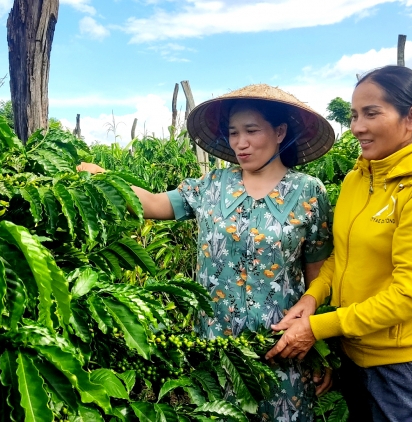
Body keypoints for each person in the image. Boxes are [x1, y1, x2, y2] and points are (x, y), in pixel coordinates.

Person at [78, 84, 336, 421]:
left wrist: (321, 346)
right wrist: (103, 178)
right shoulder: (211, 185)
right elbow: (155, 203)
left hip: (282, 348)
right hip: (216, 349)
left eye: (251, 131)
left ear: (279, 132)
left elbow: (318, 272)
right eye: (233, 133)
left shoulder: (308, 192)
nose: (240, 143)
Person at [265, 66, 412, 421]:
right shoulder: (357, 179)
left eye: (372, 113)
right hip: (354, 351)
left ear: (411, 117)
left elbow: (410, 294)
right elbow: (340, 257)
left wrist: (317, 328)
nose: (357, 127)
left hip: (404, 364)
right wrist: (313, 298)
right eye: (354, 115)